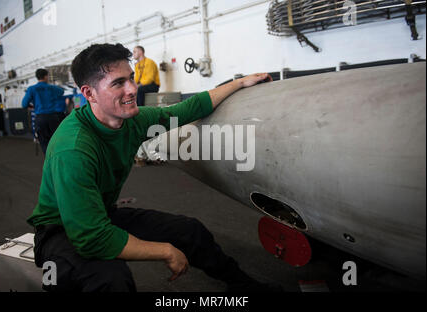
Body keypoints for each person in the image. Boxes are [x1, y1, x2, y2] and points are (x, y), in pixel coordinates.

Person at [26, 43, 277, 292]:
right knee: (110, 279)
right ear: (89, 94)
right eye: (118, 83)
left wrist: (238, 83)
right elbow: (90, 238)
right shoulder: (73, 148)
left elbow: (184, 110)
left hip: (99, 214)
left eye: (132, 79)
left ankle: (246, 287)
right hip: (60, 232)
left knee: (190, 231)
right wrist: (165, 251)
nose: (132, 89)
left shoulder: (132, 120)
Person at [22, 68, 67, 154]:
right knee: (57, 140)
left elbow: (24, 104)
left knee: (44, 142)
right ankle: (60, 159)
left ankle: (49, 162)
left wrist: (32, 106)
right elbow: (61, 92)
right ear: (46, 76)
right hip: (54, 118)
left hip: (40, 118)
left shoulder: (32, 89)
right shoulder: (52, 88)